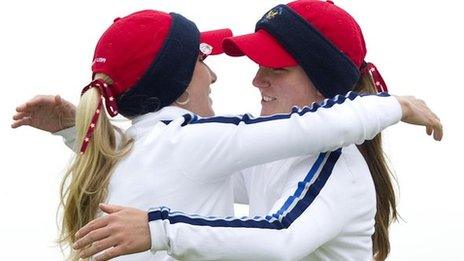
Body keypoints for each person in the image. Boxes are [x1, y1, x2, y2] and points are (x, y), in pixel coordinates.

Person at [67, 1, 443, 261]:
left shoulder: (336, 164)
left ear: (322, 81)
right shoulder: (270, 157)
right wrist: (77, 128)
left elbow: (282, 237)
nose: (256, 80)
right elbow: (165, 161)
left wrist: (160, 230)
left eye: (276, 69)